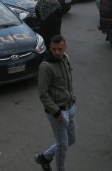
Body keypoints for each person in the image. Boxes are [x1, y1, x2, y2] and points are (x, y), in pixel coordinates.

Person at [34, 35, 76, 171]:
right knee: (62, 145)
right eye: (54, 49)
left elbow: (68, 82)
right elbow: (43, 94)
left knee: (71, 139)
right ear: (50, 48)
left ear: (65, 47)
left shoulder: (66, 59)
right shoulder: (45, 66)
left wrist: (72, 99)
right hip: (58, 112)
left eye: (60, 49)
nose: (57, 52)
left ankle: (44, 157)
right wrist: (57, 113)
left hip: (70, 107)